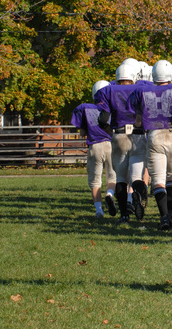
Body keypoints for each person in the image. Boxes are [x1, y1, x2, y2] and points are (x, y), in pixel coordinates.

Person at [130, 60, 172, 231]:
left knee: (158, 181)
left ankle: (164, 216)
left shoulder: (143, 90)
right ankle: (168, 214)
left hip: (154, 135)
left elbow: (137, 122)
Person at [95, 60, 148, 224]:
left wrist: (111, 131)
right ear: (134, 76)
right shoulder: (141, 88)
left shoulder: (109, 90)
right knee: (137, 177)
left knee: (121, 179)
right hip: (138, 135)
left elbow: (103, 119)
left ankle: (124, 215)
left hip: (119, 135)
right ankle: (139, 200)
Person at [71, 80, 117, 218]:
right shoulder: (113, 108)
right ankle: (109, 194)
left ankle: (99, 210)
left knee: (95, 180)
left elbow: (82, 133)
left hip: (94, 146)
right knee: (112, 176)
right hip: (111, 145)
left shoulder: (85, 108)